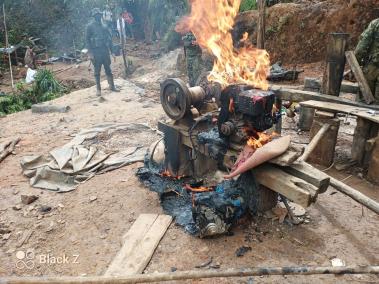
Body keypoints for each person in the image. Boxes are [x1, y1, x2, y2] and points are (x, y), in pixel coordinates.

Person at [86, 8, 118, 97]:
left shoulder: (105, 25)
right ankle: (98, 90)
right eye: (96, 15)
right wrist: (90, 53)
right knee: (97, 71)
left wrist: (113, 52)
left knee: (108, 69)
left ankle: (112, 86)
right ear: (93, 16)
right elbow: (87, 40)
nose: (98, 16)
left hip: (105, 51)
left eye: (99, 15)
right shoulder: (90, 26)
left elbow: (110, 39)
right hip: (96, 52)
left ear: (100, 15)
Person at [355, 18, 379, 103]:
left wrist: (355, 64)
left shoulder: (375, 24)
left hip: (372, 67)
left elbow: (361, 47)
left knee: (364, 102)